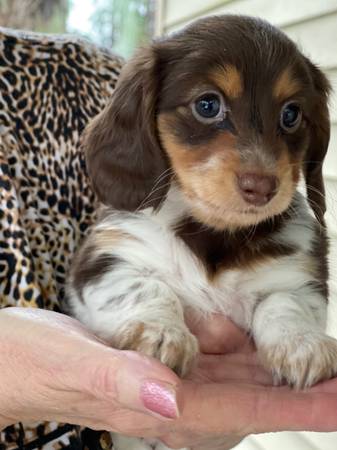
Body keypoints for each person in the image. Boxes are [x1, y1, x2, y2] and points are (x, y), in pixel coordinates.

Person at [1, 27, 337, 450]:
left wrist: (285, 322)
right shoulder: (136, 220)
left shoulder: (81, 68)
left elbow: (295, 293)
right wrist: (150, 313)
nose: (261, 172)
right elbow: (97, 276)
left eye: (288, 116)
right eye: (208, 105)